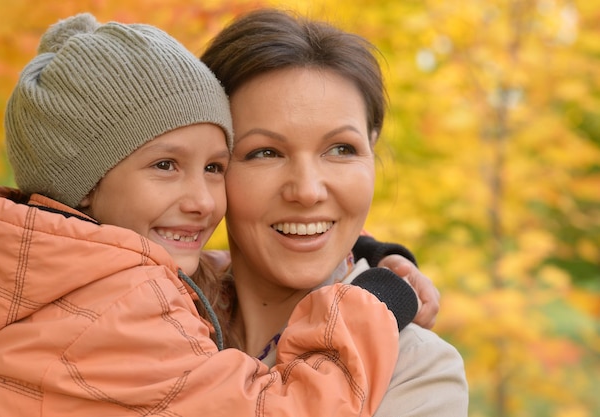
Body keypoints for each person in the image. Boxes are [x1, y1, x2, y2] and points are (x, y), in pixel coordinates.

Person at [0, 13, 410, 416]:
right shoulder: (125, 306)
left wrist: (360, 251)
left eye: (214, 167)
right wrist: (373, 299)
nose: (202, 201)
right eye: (165, 165)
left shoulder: (29, 268)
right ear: (82, 186)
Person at [200, 8, 469, 416]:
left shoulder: (416, 370)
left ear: (372, 151)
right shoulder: (152, 312)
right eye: (265, 153)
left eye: (341, 149)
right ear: (212, 166)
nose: (307, 191)